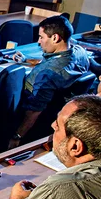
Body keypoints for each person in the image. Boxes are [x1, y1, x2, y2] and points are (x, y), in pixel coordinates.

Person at [9, 15, 90, 148]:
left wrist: (17, 137)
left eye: (41, 37)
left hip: (36, 125)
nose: (38, 42)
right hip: (58, 119)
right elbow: (56, 60)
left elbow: (33, 111)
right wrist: (27, 59)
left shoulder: (46, 75)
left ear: (55, 38)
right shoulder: (80, 52)